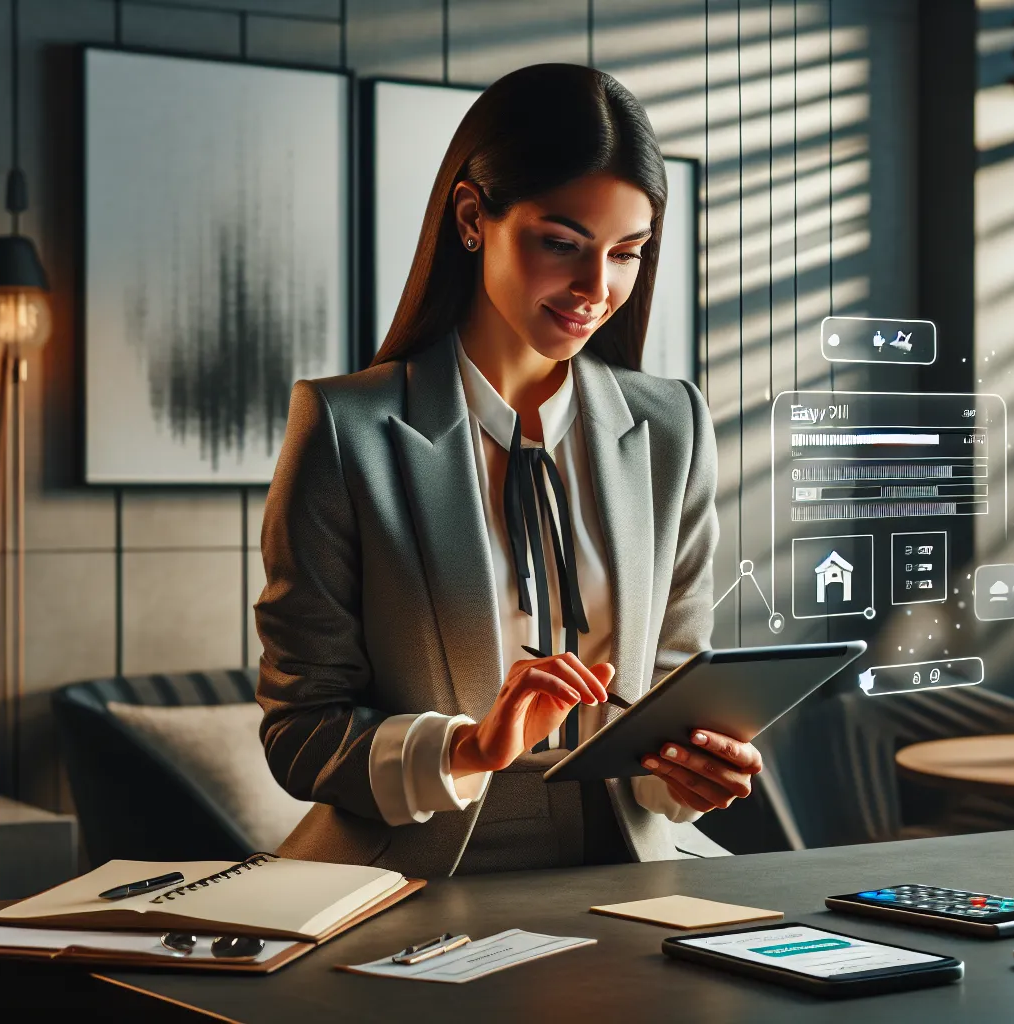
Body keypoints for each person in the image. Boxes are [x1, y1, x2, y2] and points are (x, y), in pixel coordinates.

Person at [253, 63, 761, 879]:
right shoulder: (345, 429)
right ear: (471, 217)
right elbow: (300, 731)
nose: (598, 290)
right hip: (404, 885)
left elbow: (673, 689)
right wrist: (470, 746)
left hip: (625, 876)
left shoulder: (673, 426)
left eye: (628, 253)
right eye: (562, 244)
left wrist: (693, 775)